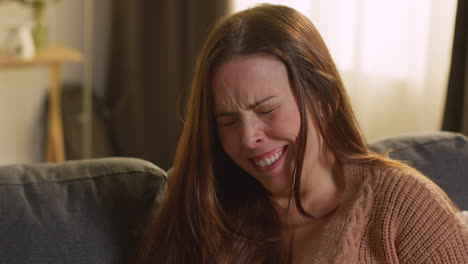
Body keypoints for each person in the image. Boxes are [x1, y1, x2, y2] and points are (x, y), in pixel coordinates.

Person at [135, 4, 468, 264]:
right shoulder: (201, 214)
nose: (249, 137)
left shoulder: (404, 205)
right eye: (227, 120)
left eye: (266, 110)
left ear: (325, 100)